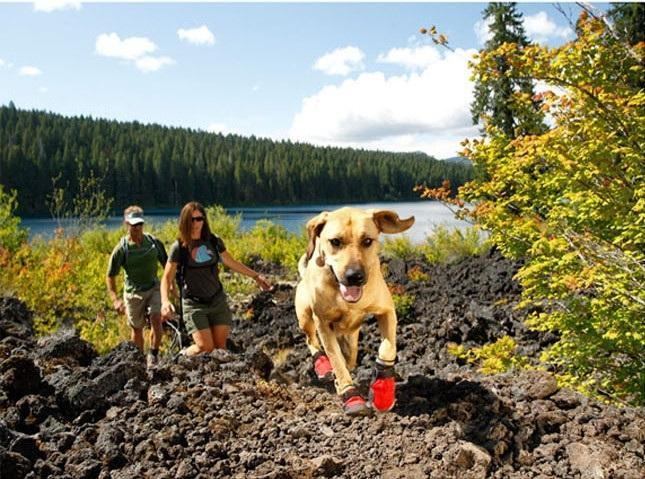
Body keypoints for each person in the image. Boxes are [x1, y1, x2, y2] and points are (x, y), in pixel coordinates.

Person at [160, 201, 271, 355]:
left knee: (220, 348)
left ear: (204, 220)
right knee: (205, 348)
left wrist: (256, 276)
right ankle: (182, 355)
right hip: (194, 305)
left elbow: (232, 263)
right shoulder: (179, 247)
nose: (196, 223)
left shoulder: (213, 241)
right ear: (184, 221)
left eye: (199, 219)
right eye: (191, 219)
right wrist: (165, 301)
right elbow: (166, 278)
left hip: (217, 300)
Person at [106, 205, 168, 367]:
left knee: (156, 318)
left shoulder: (153, 243)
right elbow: (111, 275)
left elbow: (167, 265)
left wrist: (172, 289)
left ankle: (153, 355)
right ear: (126, 224)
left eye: (140, 224)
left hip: (154, 288)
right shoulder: (122, 249)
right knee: (137, 329)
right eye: (133, 225)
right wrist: (115, 300)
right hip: (133, 293)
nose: (137, 228)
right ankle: (140, 362)